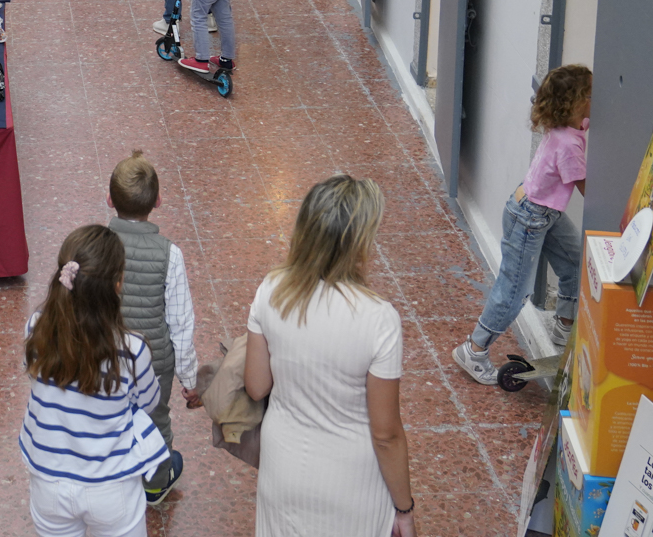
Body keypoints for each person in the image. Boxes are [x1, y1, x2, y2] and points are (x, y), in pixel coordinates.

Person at [245, 176, 416, 537]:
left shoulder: (270, 290)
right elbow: (386, 434)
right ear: (358, 244)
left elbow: (257, 386)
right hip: (351, 484)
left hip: (283, 469)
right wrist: (404, 508)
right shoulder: (379, 318)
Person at [20, 224, 170, 537]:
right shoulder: (132, 349)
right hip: (110, 485)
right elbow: (148, 402)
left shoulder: (36, 327)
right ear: (117, 284)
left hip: (48, 478)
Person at [452, 65, 591, 384]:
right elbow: (587, 188)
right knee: (516, 290)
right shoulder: (570, 144)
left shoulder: (567, 128)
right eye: (592, 96)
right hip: (531, 217)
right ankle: (474, 350)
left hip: (542, 211)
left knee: (574, 262)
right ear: (578, 101)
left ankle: (564, 329)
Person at [105, 152, 199, 507]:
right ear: (158, 201)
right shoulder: (169, 254)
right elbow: (180, 323)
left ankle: (112, 473)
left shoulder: (99, 247)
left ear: (110, 200)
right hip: (154, 361)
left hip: (105, 352)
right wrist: (190, 379)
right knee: (155, 418)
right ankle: (156, 482)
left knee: (109, 410)